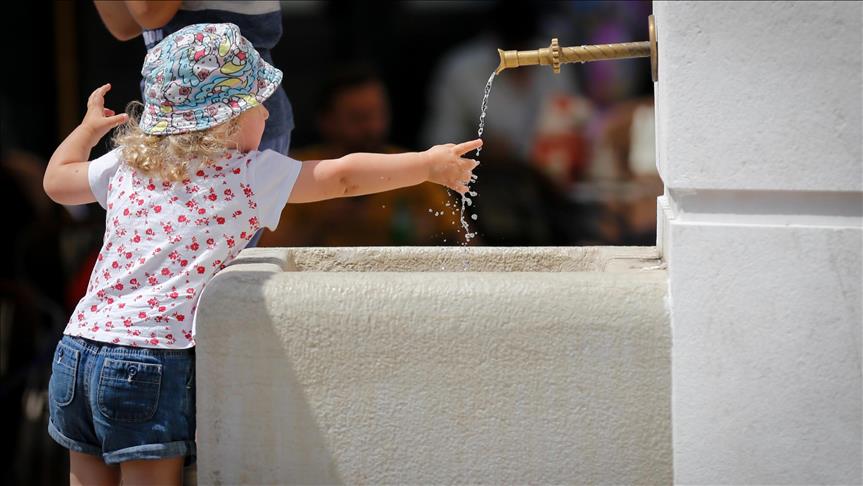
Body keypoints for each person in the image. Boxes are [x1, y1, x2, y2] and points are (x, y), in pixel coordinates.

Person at [42, 23, 480, 485]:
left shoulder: (129, 162)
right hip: (150, 361)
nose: (269, 115)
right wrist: (426, 165)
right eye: (258, 104)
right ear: (227, 121)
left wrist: (88, 130)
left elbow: (57, 181)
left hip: (78, 350)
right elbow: (342, 177)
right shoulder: (245, 175)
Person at [93, 0, 293, 247]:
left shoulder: (249, 165)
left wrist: (85, 134)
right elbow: (124, 25)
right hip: (206, 127)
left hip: (223, 130)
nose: (266, 113)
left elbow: (149, 12)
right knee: (215, 268)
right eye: (260, 104)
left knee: (217, 269)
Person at [261, 66, 461, 246]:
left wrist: (426, 231)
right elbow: (264, 251)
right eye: (358, 118)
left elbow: (464, 238)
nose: (372, 128)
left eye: (378, 114)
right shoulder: (295, 172)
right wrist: (323, 221)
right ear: (326, 120)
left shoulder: (415, 167)